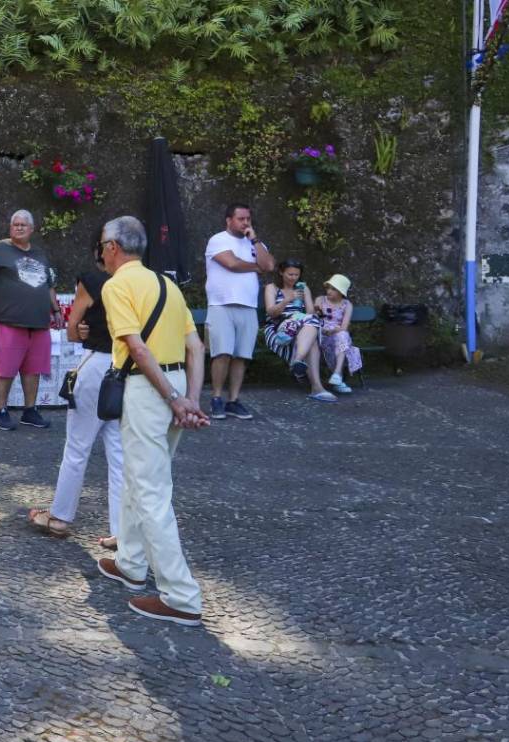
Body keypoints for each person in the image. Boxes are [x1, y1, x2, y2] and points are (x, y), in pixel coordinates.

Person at [95, 216, 210, 627]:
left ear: (112, 248)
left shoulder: (116, 286)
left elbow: (137, 350)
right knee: (140, 477)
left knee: (150, 490)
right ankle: (130, 561)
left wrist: (174, 399)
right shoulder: (168, 285)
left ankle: (181, 595)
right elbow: (195, 346)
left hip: (150, 388)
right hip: (175, 381)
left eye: (101, 247)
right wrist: (190, 399)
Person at [27, 236, 123, 549]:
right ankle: (123, 531)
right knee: (119, 453)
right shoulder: (146, 281)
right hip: (132, 367)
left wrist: (83, 329)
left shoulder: (93, 281)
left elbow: (72, 329)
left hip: (98, 362)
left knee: (77, 447)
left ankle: (59, 517)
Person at [0, 209, 60, 431]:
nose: (19, 227)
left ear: (32, 229)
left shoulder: (40, 254)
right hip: (8, 321)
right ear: (10, 228)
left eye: (24, 225)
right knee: (5, 369)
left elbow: (49, 285)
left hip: (39, 323)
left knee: (33, 369)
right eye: (15, 224)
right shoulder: (0, 250)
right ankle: (1, 411)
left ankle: (30, 410)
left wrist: (57, 310)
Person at [204, 203, 274, 420]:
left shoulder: (256, 243)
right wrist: (256, 267)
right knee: (222, 353)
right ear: (228, 220)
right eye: (241, 219)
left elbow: (269, 265)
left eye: (248, 219)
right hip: (221, 304)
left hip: (248, 305)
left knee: (241, 356)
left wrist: (254, 240)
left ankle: (233, 400)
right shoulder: (218, 240)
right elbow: (232, 264)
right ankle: (216, 398)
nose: (245, 223)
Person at [262, 259, 337, 402]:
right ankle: (315, 386)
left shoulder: (303, 288)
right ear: (281, 272)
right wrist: (287, 300)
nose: (293, 278)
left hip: (301, 326)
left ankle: (299, 364)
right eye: (290, 274)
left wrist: (314, 308)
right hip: (278, 328)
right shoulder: (272, 288)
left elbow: (309, 313)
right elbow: (271, 313)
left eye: (296, 275)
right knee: (312, 335)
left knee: (312, 328)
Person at [316, 273, 363, 394]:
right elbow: (313, 318)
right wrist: (317, 310)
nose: (329, 291)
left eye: (334, 289)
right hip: (320, 335)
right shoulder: (320, 300)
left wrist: (333, 330)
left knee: (342, 335)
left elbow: (344, 326)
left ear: (341, 292)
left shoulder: (347, 305)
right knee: (342, 339)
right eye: (328, 287)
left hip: (338, 335)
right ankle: (339, 380)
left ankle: (336, 374)